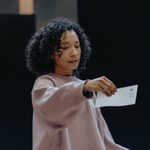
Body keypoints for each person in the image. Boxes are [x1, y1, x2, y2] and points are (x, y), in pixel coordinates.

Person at [25, 17, 129, 150]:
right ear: (51, 53)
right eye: (65, 47)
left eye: (77, 45)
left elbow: (104, 140)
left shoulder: (86, 89)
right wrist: (84, 87)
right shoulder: (44, 84)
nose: (74, 53)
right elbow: (54, 105)